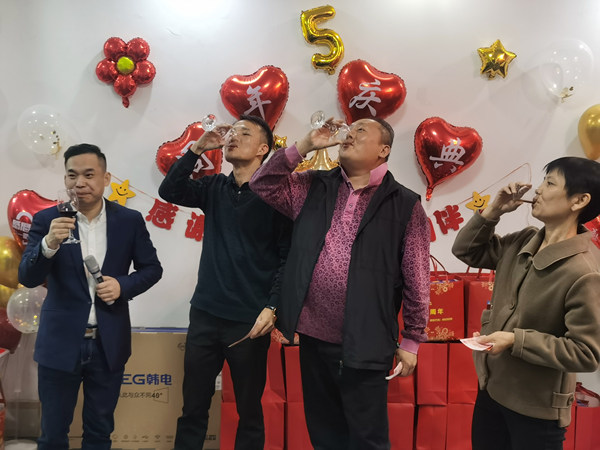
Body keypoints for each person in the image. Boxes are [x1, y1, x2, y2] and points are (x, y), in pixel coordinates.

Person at [249, 117, 430, 449]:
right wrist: (305, 145)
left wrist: (412, 340)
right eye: (350, 128)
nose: (350, 134)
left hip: (367, 340)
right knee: (324, 434)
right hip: (314, 337)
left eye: (361, 130)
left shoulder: (405, 204)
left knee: (367, 438)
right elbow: (262, 183)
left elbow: (417, 276)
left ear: (383, 150)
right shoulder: (313, 185)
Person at [158, 114, 291, 450]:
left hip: (249, 321)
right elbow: (169, 190)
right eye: (232, 132)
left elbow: (288, 257)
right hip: (205, 314)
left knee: (249, 410)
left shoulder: (277, 195)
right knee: (193, 408)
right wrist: (196, 149)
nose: (234, 137)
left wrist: (273, 306)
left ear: (263, 149)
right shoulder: (214, 186)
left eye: (244, 133)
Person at [18, 143, 163, 450]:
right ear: (65, 178)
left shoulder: (129, 220)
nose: (80, 182)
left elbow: (152, 269)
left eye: (88, 174)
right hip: (60, 343)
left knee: (99, 433)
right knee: (52, 435)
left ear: (106, 178)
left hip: (107, 343)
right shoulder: (48, 220)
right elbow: (27, 277)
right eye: (72, 175)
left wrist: (122, 285)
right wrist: (48, 244)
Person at [452, 157, 600, 450]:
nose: (539, 190)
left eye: (550, 183)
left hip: (537, 410)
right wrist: (493, 211)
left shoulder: (585, 270)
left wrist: (515, 340)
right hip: (492, 390)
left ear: (579, 201)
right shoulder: (524, 240)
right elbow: (466, 251)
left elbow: (585, 353)